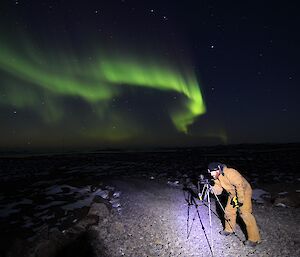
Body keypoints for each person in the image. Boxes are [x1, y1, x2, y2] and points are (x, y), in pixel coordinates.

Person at [207, 162, 261, 247]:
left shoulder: (231, 172)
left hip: (244, 192)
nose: (211, 174)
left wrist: (240, 200)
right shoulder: (217, 177)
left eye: (212, 172)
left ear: (217, 169)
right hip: (233, 194)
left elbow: (240, 186)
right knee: (229, 211)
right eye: (210, 172)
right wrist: (212, 189)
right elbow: (219, 190)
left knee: (245, 214)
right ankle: (229, 230)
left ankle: (254, 239)